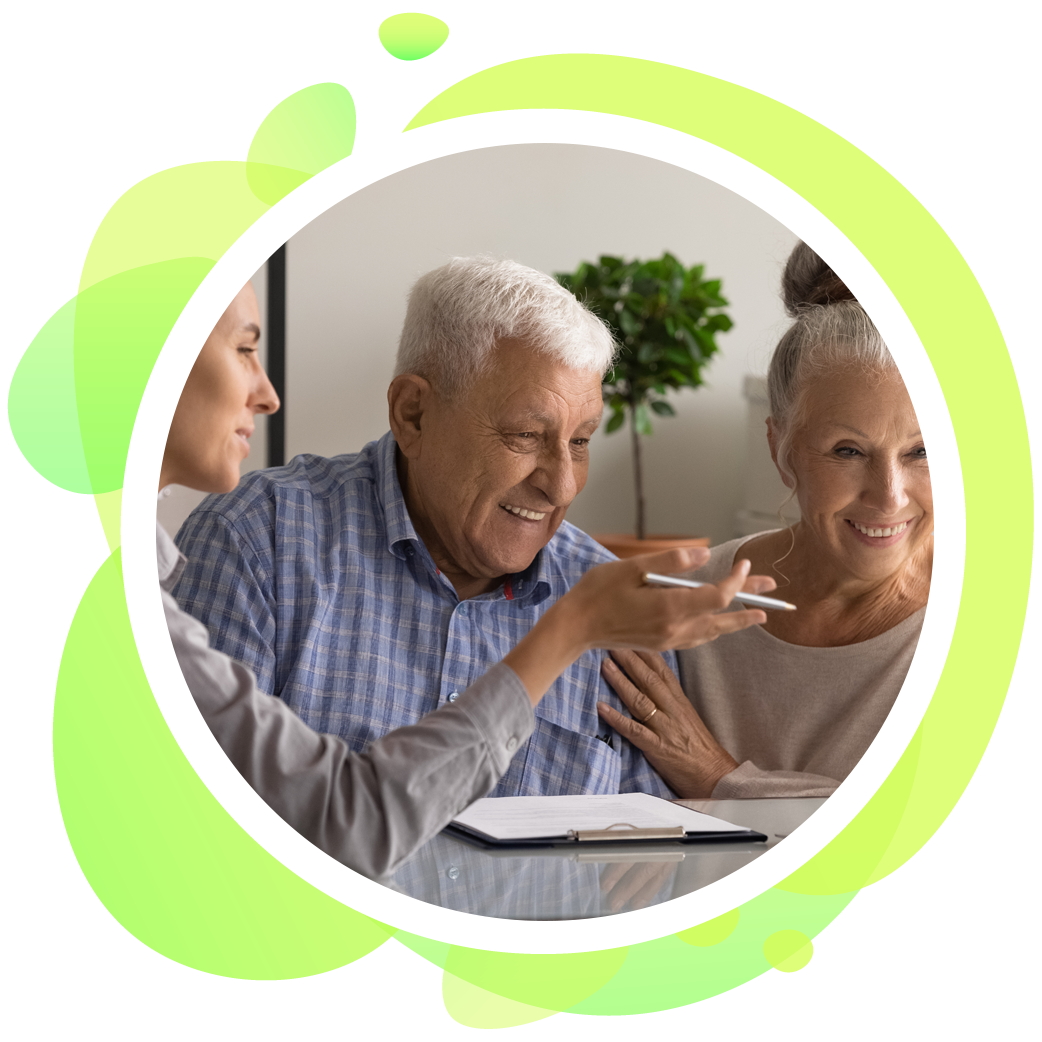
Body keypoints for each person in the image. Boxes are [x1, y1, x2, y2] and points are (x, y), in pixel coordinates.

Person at [160, 280, 773, 877]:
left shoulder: (612, 600)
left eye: (581, 441)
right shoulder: (257, 539)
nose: (560, 485)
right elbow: (198, 831)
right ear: (414, 414)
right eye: (525, 436)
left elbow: (646, 857)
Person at [597, 242, 932, 799]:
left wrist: (722, 780)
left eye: (922, 452)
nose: (889, 496)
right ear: (781, 449)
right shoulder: (695, 598)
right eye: (847, 451)